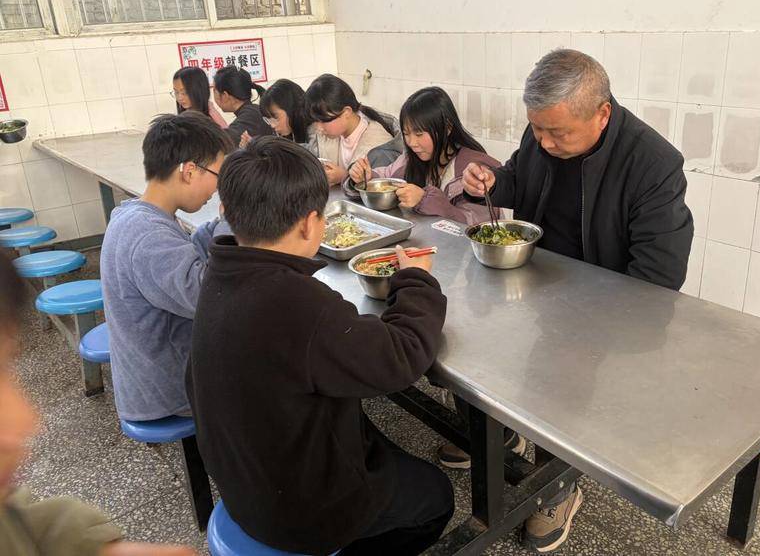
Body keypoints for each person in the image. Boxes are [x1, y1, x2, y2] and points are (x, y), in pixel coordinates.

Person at [461, 48, 694, 553]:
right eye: (536, 129)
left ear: (601, 114)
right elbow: (519, 177)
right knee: (478, 352)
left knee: (565, 393)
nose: (544, 142)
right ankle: (499, 437)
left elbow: (659, 276)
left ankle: (557, 487)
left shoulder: (653, 164)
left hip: (603, 303)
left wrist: (591, 330)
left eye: (557, 133)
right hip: (538, 280)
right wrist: (492, 180)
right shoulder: (544, 132)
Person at [187, 137, 454, 556]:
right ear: (311, 224)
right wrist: (417, 279)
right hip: (300, 515)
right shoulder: (298, 303)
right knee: (435, 495)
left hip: (243, 487)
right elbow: (402, 356)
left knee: (372, 438)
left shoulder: (220, 273)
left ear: (225, 211)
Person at [0, 253, 195, 556]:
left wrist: (93, 547)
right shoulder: (150, 239)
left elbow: (16, 520)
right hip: (161, 394)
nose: (27, 419)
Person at [100, 113, 231, 423]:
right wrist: (231, 222)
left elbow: (185, 255)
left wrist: (218, 224)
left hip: (155, 373)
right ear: (189, 170)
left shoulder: (138, 214)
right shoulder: (148, 237)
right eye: (218, 175)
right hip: (169, 389)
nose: (217, 188)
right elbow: (208, 296)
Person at [349, 86, 501, 225]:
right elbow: (386, 177)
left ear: (447, 128)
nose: (412, 143)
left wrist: (424, 200)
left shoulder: (476, 169)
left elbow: (478, 225)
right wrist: (364, 178)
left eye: (419, 134)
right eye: (406, 133)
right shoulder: (411, 159)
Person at [305, 74, 397, 185]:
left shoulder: (379, 147)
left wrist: (344, 177)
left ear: (347, 112)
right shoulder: (326, 136)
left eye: (324, 121)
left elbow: (381, 188)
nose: (319, 128)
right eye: (315, 120)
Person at [238, 78, 317, 154]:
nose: (272, 125)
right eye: (268, 119)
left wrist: (265, 148)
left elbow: (311, 154)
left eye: (276, 117)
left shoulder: (316, 129)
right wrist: (255, 147)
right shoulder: (289, 135)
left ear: (293, 108)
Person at [212, 66, 274, 147]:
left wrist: (211, 112)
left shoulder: (250, 116)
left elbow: (224, 142)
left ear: (225, 95)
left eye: (214, 90)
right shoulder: (253, 111)